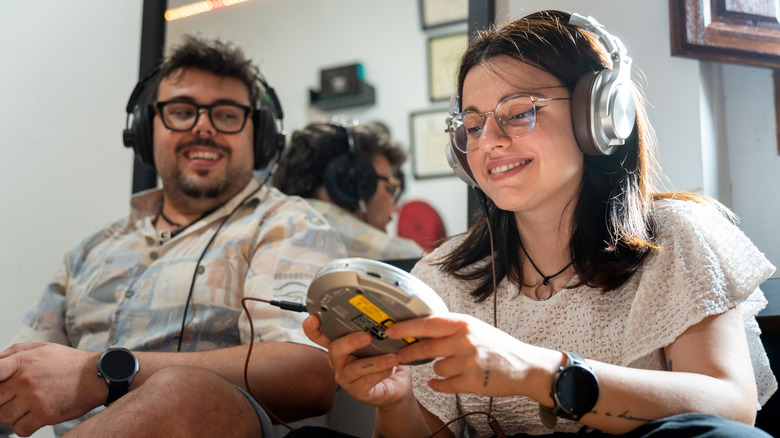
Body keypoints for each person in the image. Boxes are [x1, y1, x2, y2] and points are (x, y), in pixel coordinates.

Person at [302, 10, 778, 437]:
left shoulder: (677, 236)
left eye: (518, 112)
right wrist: (396, 402)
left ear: (599, 115)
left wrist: (539, 372)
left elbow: (729, 411)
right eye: (473, 125)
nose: (488, 141)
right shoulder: (441, 277)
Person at [0, 35, 346, 437]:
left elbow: (308, 373)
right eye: (182, 112)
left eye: (227, 115)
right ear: (145, 130)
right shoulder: (92, 248)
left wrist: (100, 374)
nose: (203, 127)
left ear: (261, 137)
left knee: (184, 394)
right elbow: (22, 375)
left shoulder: (288, 224)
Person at [273, 121, 425, 260]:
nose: (395, 207)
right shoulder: (406, 258)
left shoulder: (270, 231)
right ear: (351, 183)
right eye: (389, 188)